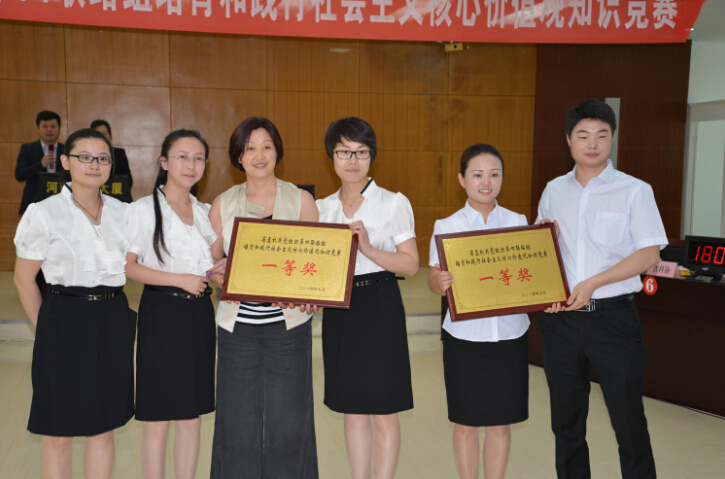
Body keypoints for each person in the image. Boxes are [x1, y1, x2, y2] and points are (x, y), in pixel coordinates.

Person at [536, 98, 666, 479]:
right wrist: (546, 291)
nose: (592, 143)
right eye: (583, 135)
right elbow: (542, 248)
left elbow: (649, 254)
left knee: (628, 423)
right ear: (568, 139)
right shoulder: (553, 190)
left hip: (614, 321)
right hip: (561, 323)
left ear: (612, 138)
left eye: (601, 135)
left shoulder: (634, 190)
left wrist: (593, 283)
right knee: (566, 426)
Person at [13, 128, 135, 479]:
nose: (94, 164)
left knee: (103, 424)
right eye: (85, 157)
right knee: (59, 428)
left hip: (112, 315)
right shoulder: (44, 212)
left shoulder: (125, 212)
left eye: (102, 158)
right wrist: (47, 328)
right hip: (63, 315)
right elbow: (23, 279)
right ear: (65, 162)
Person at [209, 117, 319, 479]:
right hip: (237, 329)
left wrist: (313, 294)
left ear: (278, 152)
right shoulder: (222, 204)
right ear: (238, 157)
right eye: (250, 148)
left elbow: (317, 265)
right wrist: (217, 274)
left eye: (267, 146)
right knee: (236, 421)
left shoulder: (301, 201)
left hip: (289, 328)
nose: (259, 155)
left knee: (290, 422)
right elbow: (209, 265)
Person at [316, 117, 418, 479]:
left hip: (379, 303)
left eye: (360, 152)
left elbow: (411, 264)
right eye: (344, 152)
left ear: (372, 156)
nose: (352, 160)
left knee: (384, 410)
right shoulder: (321, 208)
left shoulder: (393, 202)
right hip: (340, 309)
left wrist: (370, 249)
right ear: (332, 157)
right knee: (352, 408)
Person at [125, 130, 224, 479]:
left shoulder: (205, 212)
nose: (191, 164)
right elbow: (128, 267)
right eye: (182, 157)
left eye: (198, 158)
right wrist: (180, 279)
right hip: (161, 313)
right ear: (164, 162)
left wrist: (220, 273)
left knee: (191, 416)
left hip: (199, 314)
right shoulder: (142, 209)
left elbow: (211, 266)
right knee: (158, 418)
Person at [428, 144, 529, 479]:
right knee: (466, 421)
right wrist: (439, 282)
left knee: (501, 422)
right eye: (477, 175)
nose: (486, 182)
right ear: (462, 179)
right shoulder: (446, 226)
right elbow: (432, 281)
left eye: (494, 174)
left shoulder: (518, 222)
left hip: (509, 334)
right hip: (464, 337)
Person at [15, 110, 66, 215]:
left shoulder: (66, 150)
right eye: (45, 126)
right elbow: (19, 174)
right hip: (34, 202)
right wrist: (40, 165)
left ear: (59, 129)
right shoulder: (28, 148)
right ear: (38, 129)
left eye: (53, 126)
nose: (49, 129)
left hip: (60, 203)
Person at [91, 119, 134, 188]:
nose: (101, 137)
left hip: (115, 192)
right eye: (98, 134)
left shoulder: (119, 154)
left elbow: (128, 181)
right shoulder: (87, 156)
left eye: (104, 134)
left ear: (110, 136)